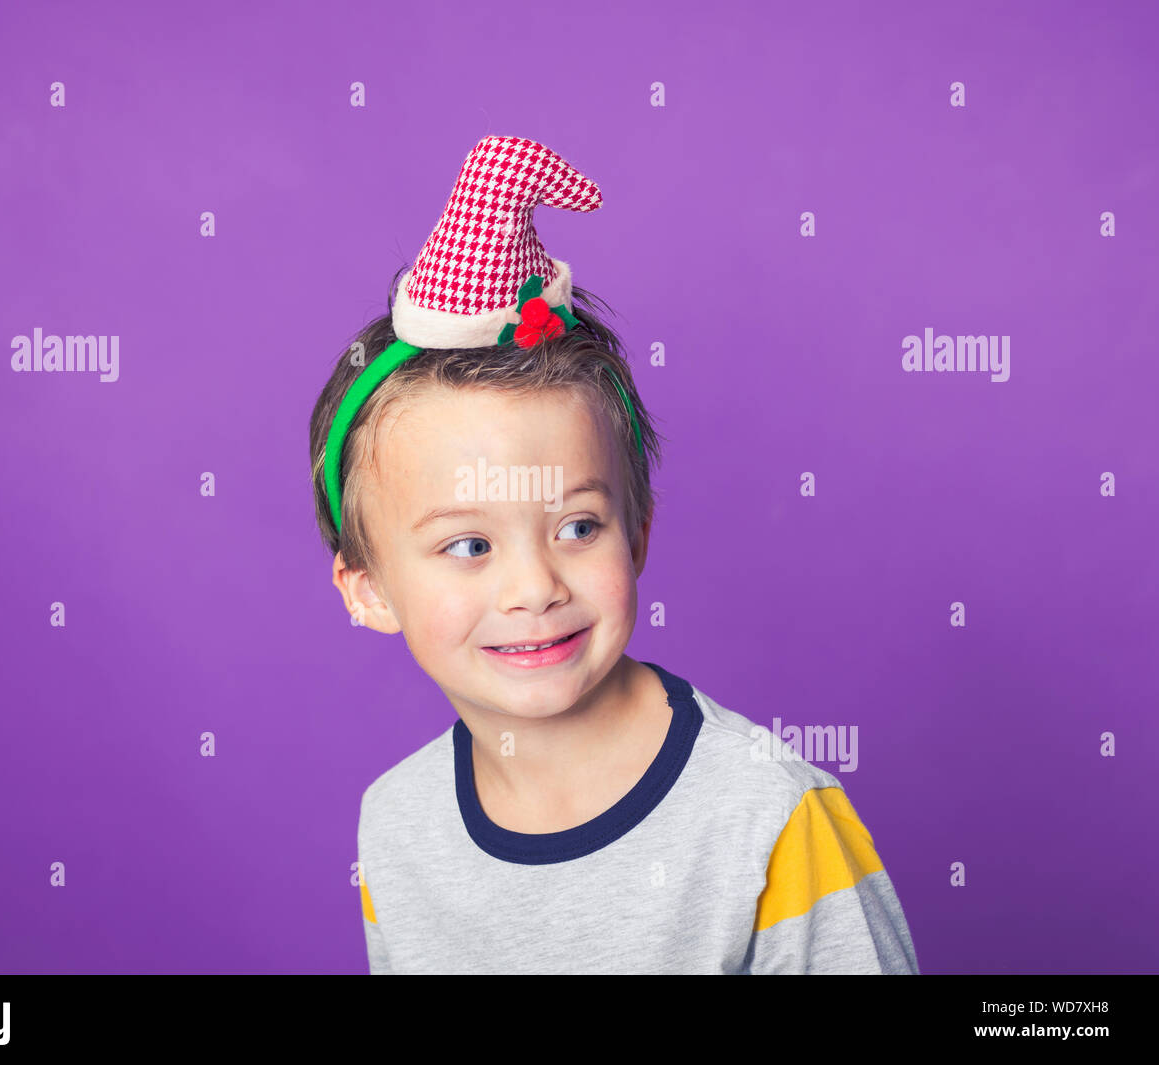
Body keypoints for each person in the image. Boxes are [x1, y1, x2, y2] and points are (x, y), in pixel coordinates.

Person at [308, 135, 919, 975]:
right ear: (368, 588)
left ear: (638, 532)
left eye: (577, 527)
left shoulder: (767, 819)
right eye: (470, 544)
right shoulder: (396, 824)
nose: (533, 586)